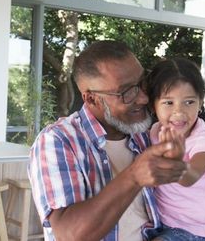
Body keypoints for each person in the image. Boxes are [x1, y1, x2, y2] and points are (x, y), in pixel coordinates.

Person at [28, 40, 187, 241]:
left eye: (142, 83)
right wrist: (134, 176)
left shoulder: (144, 133)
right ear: (91, 99)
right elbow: (68, 234)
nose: (143, 98)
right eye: (127, 92)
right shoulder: (58, 141)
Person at [145, 58, 205, 241]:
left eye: (189, 102)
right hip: (160, 222)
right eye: (168, 103)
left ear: (200, 102)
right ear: (153, 105)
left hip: (193, 231)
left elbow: (191, 177)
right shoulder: (155, 132)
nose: (179, 112)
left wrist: (176, 161)